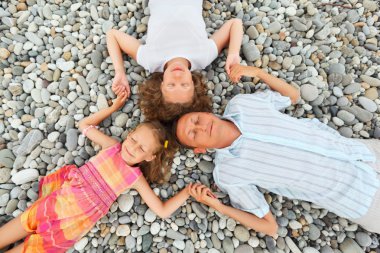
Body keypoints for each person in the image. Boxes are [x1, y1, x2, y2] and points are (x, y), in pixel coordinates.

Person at [175, 64, 380, 236]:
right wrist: (218, 206)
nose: (201, 127)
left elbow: (292, 96)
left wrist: (257, 72)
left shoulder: (242, 105)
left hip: (364, 152)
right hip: (360, 199)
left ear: (205, 113)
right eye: (194, 134)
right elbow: (269, 226)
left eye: (196, 120)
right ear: (200, 149)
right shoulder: (227, 172)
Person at [0, 92, 210, 253]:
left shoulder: (135, 178)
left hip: (69, 228)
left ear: (150, 158)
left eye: (142, 149)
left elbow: (162, 211)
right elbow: (84, 125)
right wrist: (113, 107)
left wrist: (187, 193)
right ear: (129, 134)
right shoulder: (112, 147)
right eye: (134, 140)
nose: (133, 148)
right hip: (53, 204)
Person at [106, 0, 243, 121]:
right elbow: (235, 23)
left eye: (171, 85)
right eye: (184, 85)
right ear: (194, 84)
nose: (177, 76)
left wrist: (120, 72)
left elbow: (112, 35)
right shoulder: (203, 56)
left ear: (160, 85)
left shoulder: (150, 60)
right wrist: (233, 54)